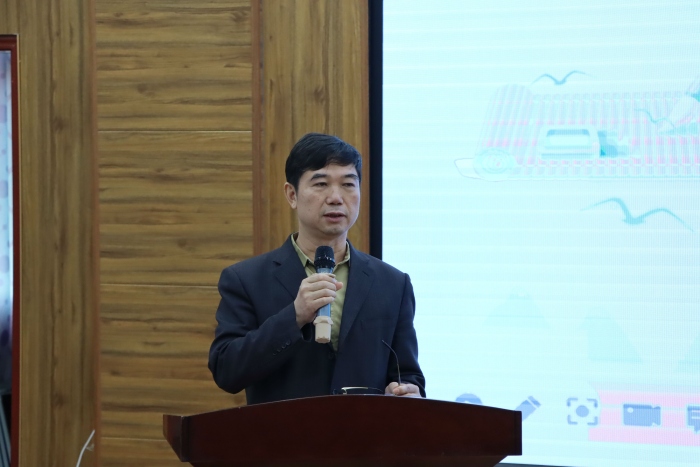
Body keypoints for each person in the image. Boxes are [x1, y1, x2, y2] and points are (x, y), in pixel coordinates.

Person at [208, 133, 425, 404]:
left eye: (348, 184)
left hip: (364, 430)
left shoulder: (393, 283)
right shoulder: (247, 279)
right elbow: (226, 371)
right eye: (321, 184)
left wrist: (407, 391)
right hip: (285, 431)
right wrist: (295, 316)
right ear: (292, 195)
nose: (336, 198)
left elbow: (407, 374)